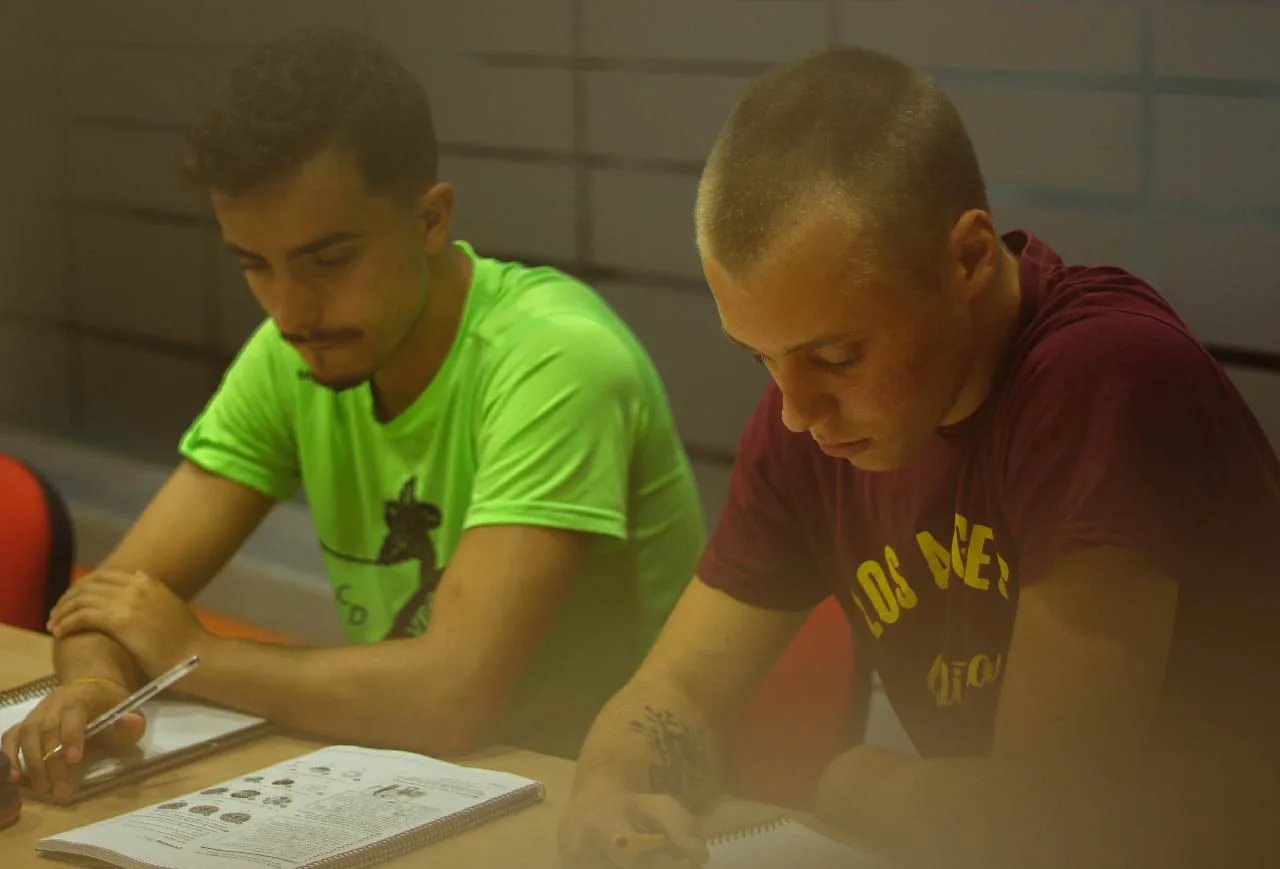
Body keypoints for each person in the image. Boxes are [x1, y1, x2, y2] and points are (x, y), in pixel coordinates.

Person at [559, 46, 1280, 869]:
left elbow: (1050, 824)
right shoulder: (810, 421)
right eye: (759, 357)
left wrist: (852, 781)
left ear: (969, 258)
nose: (796, 410)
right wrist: (608, 792)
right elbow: (676, 692)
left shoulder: (1103, 376)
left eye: (836, 354)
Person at [2, 29, 704, 801]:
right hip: (422, 782)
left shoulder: (558, 358)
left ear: (431, 219)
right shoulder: (294, 348)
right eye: (255, 265)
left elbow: (449, 696)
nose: (290, 308)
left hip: (601, 797)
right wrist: (95, 686)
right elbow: (109, 603)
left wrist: (198, 651)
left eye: (328, 260)